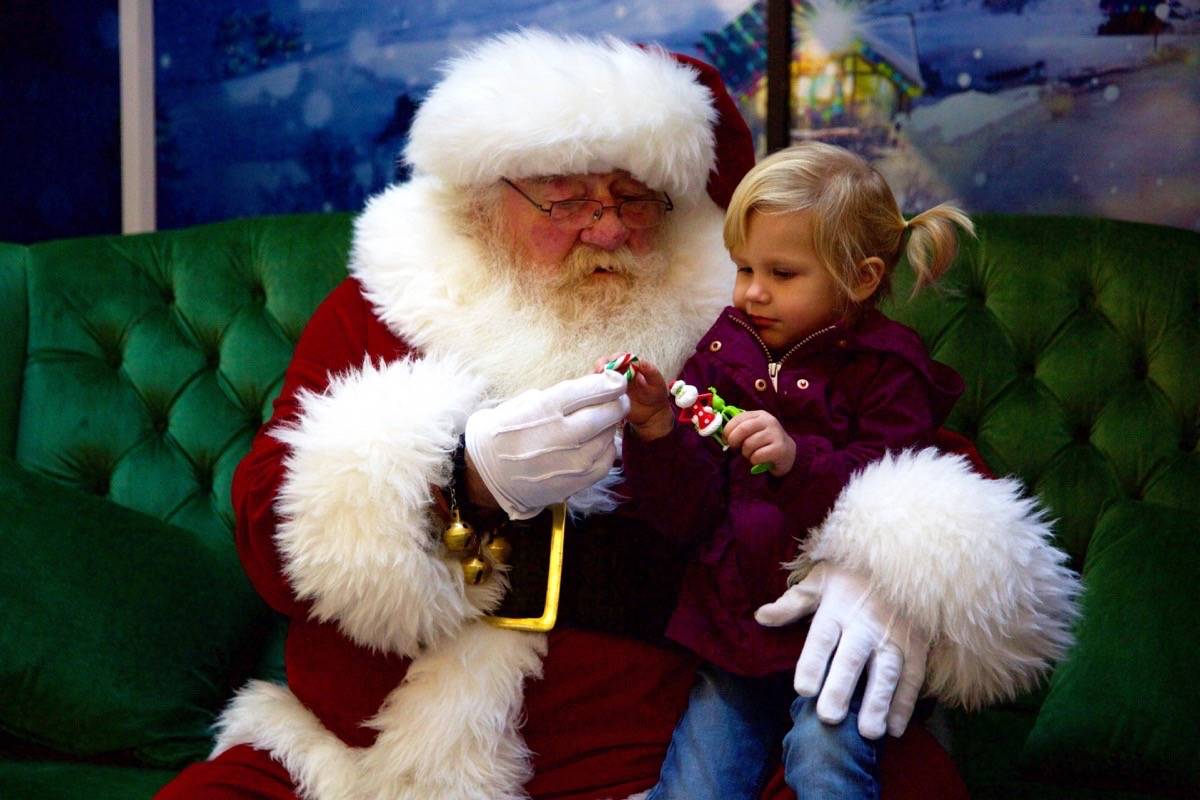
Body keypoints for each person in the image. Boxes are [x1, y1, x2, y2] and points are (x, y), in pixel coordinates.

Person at [156, 30, 1079, 800]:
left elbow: (917, 448)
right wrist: (460, 482)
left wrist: (889, 569)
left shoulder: (738, 311)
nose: (605, 229)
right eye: (563, 200)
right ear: (485, 200)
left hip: (667, 748)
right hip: (367, 754)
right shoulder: (394, 301)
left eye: (634, 199)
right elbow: (268, 531)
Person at [615, 142, 970, 800]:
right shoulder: (722, 352)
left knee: (823, 758)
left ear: (860, 279)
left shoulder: (890, 368)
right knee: (696, 784)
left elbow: (896, 497)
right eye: (744, 267)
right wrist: (657, 429)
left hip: (848, 631)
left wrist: (798, 459)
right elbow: (683, 512)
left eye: (781, 273)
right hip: (733, 628)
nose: (752, 292)